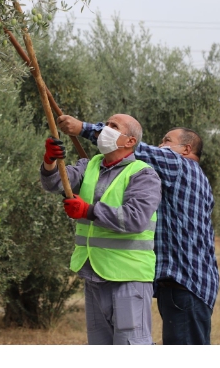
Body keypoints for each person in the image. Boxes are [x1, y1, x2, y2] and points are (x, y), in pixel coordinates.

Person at [57, 115, 219, 345]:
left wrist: (84, 128)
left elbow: (140, 150)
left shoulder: (180, 166)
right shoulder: (194, 179)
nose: (161, 145)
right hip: (190, 281)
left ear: (186, 148)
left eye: (167, 140)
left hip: (185, 281)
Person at [41, 114, 162, 345]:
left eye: (113, 126)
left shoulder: (144, 174)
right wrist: (50, 161)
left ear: (130, 141)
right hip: (93, 273)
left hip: (128, 276)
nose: (105, 129)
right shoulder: (90, 165)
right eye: (106, 124)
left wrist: (88, 211)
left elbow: (135, 219)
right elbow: (55, 183)